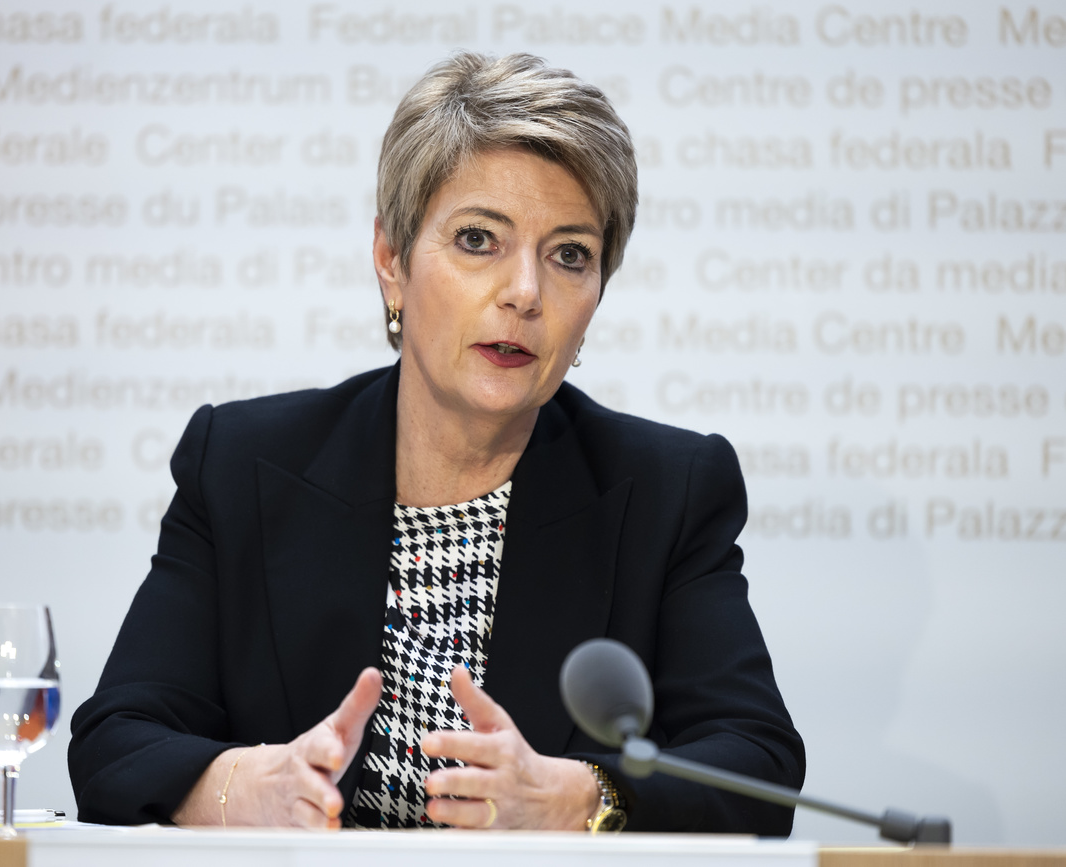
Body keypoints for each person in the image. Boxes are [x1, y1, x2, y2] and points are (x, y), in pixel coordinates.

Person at [68, 52, 804, 834]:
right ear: (392, 261)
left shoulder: (668, 490)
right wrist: (234, 786)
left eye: (569, 255)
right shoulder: (245, 465)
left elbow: (758, 763)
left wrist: (584, 799)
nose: (525, 291)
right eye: (479, 238)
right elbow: (115, 743)